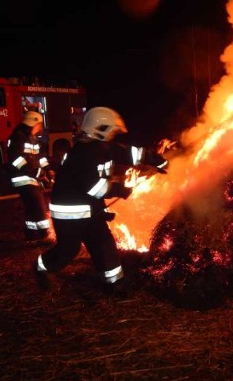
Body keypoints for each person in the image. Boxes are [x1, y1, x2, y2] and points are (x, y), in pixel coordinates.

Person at [34, 106, 169, 296]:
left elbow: (130, 153)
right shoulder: (82, 154)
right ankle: (41, 267)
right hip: (69, 214)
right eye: (111, 130)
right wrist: (122, 189)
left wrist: (156, 160)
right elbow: (95, 188)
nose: (113, 135)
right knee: (67, 251)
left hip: (91, 212)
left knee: (104, 246)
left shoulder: (103, 147)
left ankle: (115, 284)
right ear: (101, 129)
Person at [7, 111, 55, 246]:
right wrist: (36, 171)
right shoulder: (18, 137)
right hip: (22, 177)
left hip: (31, 177)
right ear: (33, 123)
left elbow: (41, 157)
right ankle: (43, 235)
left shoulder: (33, 138)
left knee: (32, 207)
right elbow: (16, 160)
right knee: (39, 205)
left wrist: (48, 169)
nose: (41, 127)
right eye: (40, 124)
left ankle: (31, 234)